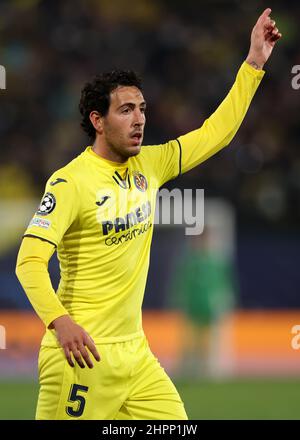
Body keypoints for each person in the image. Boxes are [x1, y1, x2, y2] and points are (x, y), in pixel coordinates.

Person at [16, 9, 281, 420]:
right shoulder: (70, 183)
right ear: (97, 121)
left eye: (141, 108)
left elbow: (216, 133)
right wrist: (59, 322)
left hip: (136, 357)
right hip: (82, 357)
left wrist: (254, 64)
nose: (139, 118)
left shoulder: (151, 166)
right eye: (126, 110)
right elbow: (29, 262)